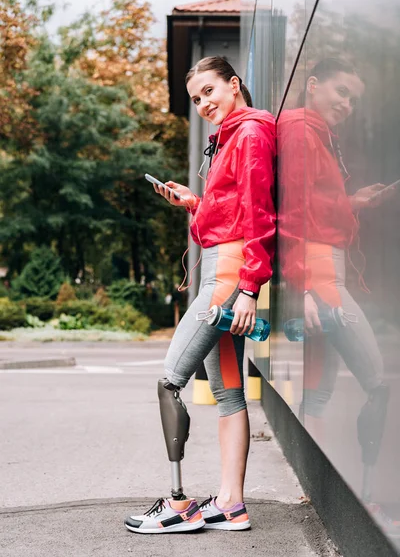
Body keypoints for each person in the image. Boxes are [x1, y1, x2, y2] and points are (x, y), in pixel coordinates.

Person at [125, 56, 276, 533]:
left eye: (209, 92)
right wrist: (193, 201)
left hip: (227, 282)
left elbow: (259, 215)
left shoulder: (249, 134)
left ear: (234, 84)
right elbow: (230, 212)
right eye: (195, 99)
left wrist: (249, 288)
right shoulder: (231, 137)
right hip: (223, 273)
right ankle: (231, 504)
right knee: (229, 395)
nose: (203, 104)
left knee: (170, 380)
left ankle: (178, 503)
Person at [278, 58, 392, 504]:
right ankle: (366, 500)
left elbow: (316, 206)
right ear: (312, 86)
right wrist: (306, 287)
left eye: (354, 98)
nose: (347, 103)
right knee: (377, 383)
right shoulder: (302, 133)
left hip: (322, 270)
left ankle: (318, 493)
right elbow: (293, 210)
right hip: (321, 275)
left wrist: (354, 201)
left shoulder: (314, 134)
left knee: (319, 391)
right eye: (341, 91)